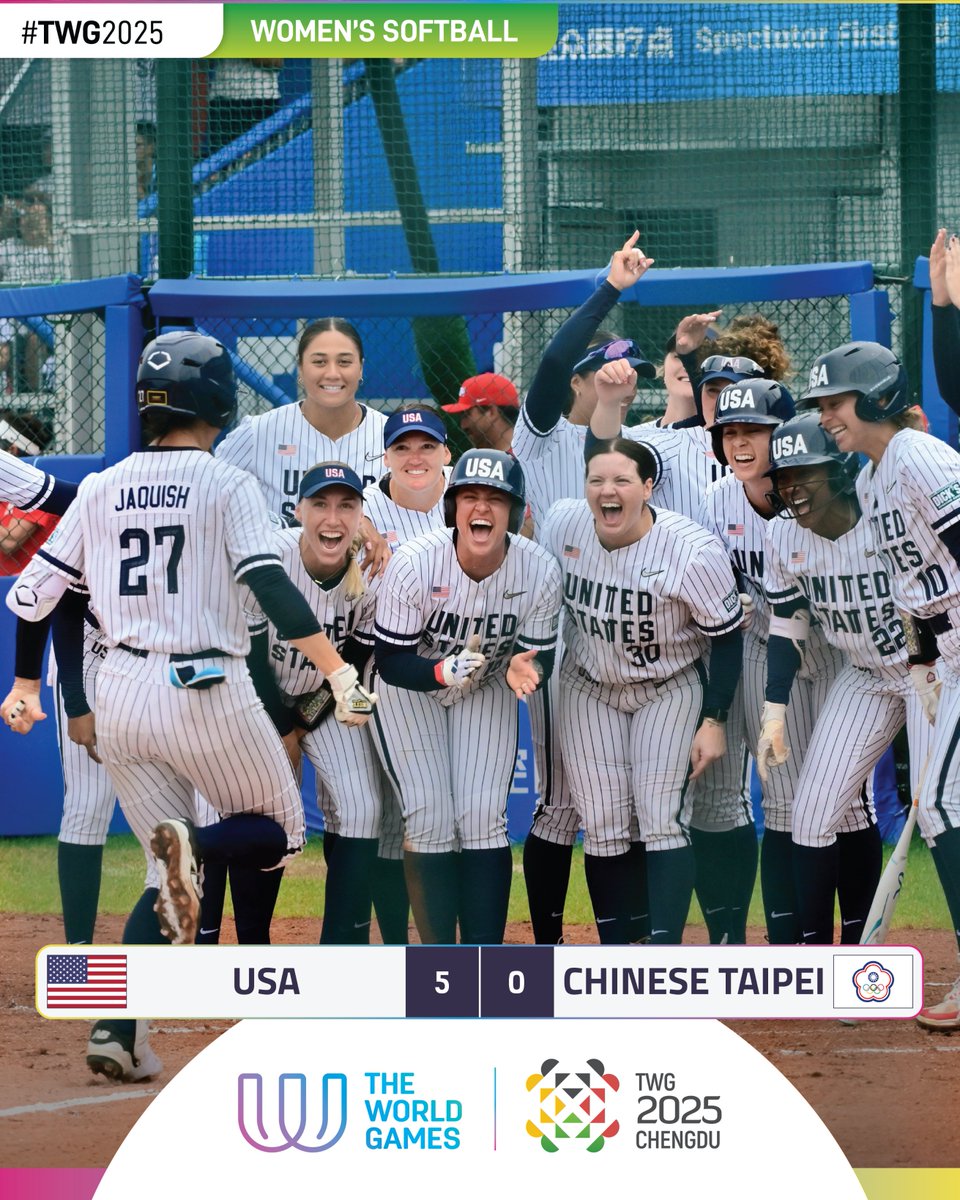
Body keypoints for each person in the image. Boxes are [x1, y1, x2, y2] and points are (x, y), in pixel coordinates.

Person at [4, 330, 376, 1081]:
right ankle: (195, 844)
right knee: (279, 830)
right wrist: (336, 669)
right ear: (217, 400)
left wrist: (25, 685)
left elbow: (35, 593)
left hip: (119, 693)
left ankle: (118, 1029)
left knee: (160, 874)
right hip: (205, 687)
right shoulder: (227, 483)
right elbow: (269, 583)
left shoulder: (102, 485)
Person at [800, 338, 960, 1027]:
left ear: (874, 397)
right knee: (940, 807)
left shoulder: (919, 456)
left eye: (835, 402)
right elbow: (911, 589)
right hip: (940, 652)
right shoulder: (869, 480)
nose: (825, 416)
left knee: (941, 806)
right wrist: (922, 664)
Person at [540, 436, 744, 944]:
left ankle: (663, 949)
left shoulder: (691, 550)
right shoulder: (564, 524)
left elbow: (726, 638)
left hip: (667, 686)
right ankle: (619, 950)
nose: (607, 491)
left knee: (661, 818)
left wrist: (714, 719)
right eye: (596, 480)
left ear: (648, 487)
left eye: (622, 480)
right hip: (589, 685)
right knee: (603, 821)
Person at [371, 449, 561, 945]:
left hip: (486, 682)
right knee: (430, 816)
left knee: (482, 819)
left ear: (514, 512)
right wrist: (440, 670)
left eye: (495, 498)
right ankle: (440, 960)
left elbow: (538, 656)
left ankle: (484, 958)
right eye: (469, 496)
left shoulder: (538, 569)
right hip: (409, 688)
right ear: (452, 507)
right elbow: (390, 661)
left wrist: (527, 665)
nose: (481, 507)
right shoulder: (415, 562)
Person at [758, 411, 930, 945]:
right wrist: (774, 710)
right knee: (811, 815)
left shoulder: (883, 514)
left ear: (837, 470)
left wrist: (933, 667)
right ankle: (819, 954)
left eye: (803, 473)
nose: (792, 489)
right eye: (783, 478)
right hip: (864, 676)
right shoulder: (782, 535)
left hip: (929, 670)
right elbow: (787, 625)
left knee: (941, 815)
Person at [247, 461, 385, 945]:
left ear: (360, 515)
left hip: (320, 703)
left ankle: (341, 945)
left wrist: (300, 728)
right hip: (255, 699)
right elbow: (251, 658)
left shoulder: (371, 574)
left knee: (362, 808)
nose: (333, 518)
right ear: (298, 511)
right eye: (320, 504)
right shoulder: (271, 557)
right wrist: (281, 731)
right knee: (262, 815)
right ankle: (252, 944)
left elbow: (353, 662)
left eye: (346, 505)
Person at [362, 405, 453, 941]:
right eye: (402, 447)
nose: (414, 457)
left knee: (454, 812)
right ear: (385, 456)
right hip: (389, 671)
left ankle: (451, 941)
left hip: (459, 673)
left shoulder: (467, 495)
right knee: (394, 818)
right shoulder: (364, 505)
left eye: (426, 446)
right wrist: (358, 524)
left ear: (446, 452)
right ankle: (398, 941)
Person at [215, 316, 389, 570]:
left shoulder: (390, 436)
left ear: (361, 368)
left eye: (344, 362)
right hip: (281, 582)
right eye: (319, 362)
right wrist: (288, 525)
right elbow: (209, 496)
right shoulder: (258, 432)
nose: (332, 373)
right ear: (300, 368)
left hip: (372, 586)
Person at [442, 372, 519, 452]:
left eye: (466, 415)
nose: (463, 425)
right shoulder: (477, 458)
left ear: (491, 412)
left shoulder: (523, 457)